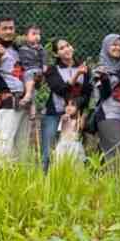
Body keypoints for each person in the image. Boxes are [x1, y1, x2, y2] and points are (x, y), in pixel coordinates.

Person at [0, 17, 31, 164]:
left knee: (21, 144)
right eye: (5, 28)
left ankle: (18, 179)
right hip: (8, 101)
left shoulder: (21, 51)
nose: (9, 31)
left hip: (25, 101)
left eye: (11, 28)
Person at [43, 38, 92, 169]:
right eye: (61, 48)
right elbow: (60, 89)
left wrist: (83, 115)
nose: (66, 49)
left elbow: (88, 92)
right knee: (49, 152)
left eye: (68, 45)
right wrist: (77, 75)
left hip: (76, 117)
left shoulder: (84, 68)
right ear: (56, 54)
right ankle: (45, 183)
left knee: (75, 153)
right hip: (55, 114)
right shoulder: (52, 70)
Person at [92, 33, 120, 162]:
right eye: (114, 45)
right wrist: (104, 79)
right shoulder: (100, 69)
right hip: (108, 115)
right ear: (106, 47)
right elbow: (103, 95)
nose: (118, 48)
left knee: (112, 155)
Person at [18, 25, 48, 122]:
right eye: (34, 34)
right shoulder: (21, 47)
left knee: (30, 79)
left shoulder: (40, 49)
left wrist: (44, 67)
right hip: (25, 71)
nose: (37, 36)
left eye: (38, 34)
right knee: (32, 90)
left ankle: (27, 96)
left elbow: (44, 59)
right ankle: (32, 110)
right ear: (26, 36)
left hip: (36, 71)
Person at [52, 99, 87, 167]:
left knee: (75, 165)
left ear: (78, 108)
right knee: (60, 164)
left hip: (74, 146)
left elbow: (81, 128)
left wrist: (82, 117)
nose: (69, 107)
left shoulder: (79, 120)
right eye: (67, 105)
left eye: (72, 105)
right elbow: (62, 124)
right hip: (63, 145)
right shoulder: (64, 117)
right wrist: (64, 118)